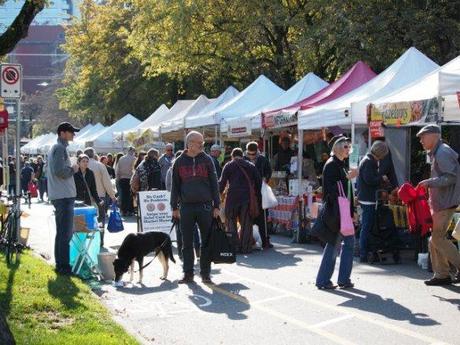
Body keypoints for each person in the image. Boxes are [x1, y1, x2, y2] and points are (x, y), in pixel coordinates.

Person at [171, 131, 220, 284]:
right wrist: (174, 207)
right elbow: (175, 186)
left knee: (206, 241)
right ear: (190, 143)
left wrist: (216, 205)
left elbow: (214, 184)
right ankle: (188, 274)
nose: (202, 145)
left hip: (205, 206)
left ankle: (205, 274)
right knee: (186, 243)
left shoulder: (207, 160)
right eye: (200, 143)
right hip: (186, 207)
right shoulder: (179, 162)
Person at [417, 124, 460, 286]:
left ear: (434, 136)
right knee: (434, 240)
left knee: (437, 238)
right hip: (441, 202)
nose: (420, 140)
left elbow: (451, 177)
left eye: (423, 136)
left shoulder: (442, 152)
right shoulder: (439, 151)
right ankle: (442, 274)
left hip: (445, 203)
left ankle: (446, 272)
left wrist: (430, 182)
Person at [316, 136, 358, 290]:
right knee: (339, 243)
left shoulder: (339, 164)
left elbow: (346, 190)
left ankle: (332, 280)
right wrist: (348, 178)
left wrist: (352, 209)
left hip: (342, 209)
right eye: (346, 146)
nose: (349, 149)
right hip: (338, 210)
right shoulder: (332, 164)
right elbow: (332, 190)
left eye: (349, 147)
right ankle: (332, 280)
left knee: (337, 243)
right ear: (338, 147)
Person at [47, 122, 80, 275]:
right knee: (65, 234)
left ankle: (61, 264)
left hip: (62, 196)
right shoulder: (59, 148)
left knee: (62, 233)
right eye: (71, 132)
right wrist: (73, 169)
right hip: (63, 196)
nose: (73, 134)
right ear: (62, 133)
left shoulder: (60, 148)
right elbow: (60, 171)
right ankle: (64, 267)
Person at [220, 148, 261, 254]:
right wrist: (256, 196)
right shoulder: (250, 166)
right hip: (247, 199)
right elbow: (258, 182)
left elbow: (222, 183)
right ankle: (246, 248)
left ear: (232, 156)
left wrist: (218, 197)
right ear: (242, 155)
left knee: (231, 223)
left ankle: (234, 247)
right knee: (246, 223)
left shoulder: (228, 165)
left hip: (232, 198)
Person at [356, 140, 389, 263]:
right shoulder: (369, 162)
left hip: (365, 197)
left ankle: (364, 251)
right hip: (368, 199)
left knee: (366, 226)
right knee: (367, 226)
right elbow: (370, 180)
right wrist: (381, 178)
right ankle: (363, 253)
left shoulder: (367, 160)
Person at [166, 150, 200, 261]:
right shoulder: (190, 169)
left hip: (179, 202)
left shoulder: (170, 170)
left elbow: (169, 188)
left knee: (179, 230)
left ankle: (182, 254)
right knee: (193, 228)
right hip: (189, 202)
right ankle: (197, 250)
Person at [84, 148, 117, 246]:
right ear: (94, 154)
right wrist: (112, 195)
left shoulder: (80, 165)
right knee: (101, 218)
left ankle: (87, 241)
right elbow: (107, 182)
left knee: (86, 219)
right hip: (100, 196)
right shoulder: (100, 166)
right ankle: (100, 240)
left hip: (85, 197)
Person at [244, 141, 273, 248]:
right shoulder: (243, 160)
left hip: (260, 193)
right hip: (247, 193)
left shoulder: (263, 159)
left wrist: (266, 178)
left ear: (257, 152)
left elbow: (268, 171)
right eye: (249, 154)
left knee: (263, 219)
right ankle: (247, 240)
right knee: (247, 218)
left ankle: (265, 240)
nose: (251, 156)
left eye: (253, 154)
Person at [115, 147, 136, 216]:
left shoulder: (121, 158)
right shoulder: (134, 159)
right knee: (130, 196)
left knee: (124, 195)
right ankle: (130, 210)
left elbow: (117, 170)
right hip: (131, 179)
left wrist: (118, 178)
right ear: (133, 151)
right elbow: (135, 170)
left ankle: (123, 210)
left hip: (122, 179)